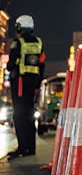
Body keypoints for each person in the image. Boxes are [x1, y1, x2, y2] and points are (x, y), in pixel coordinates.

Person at [5, 14, 46, 160]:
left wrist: (12, 66)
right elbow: (42, 64)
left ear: (20, 27)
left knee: (19, 115)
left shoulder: (18, 42)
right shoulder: (39, 42)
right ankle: (31, 148)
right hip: (33, 83)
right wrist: (37, 84)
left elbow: (10, 65)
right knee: (29, 115)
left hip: (20, 83)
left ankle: (22, 147)